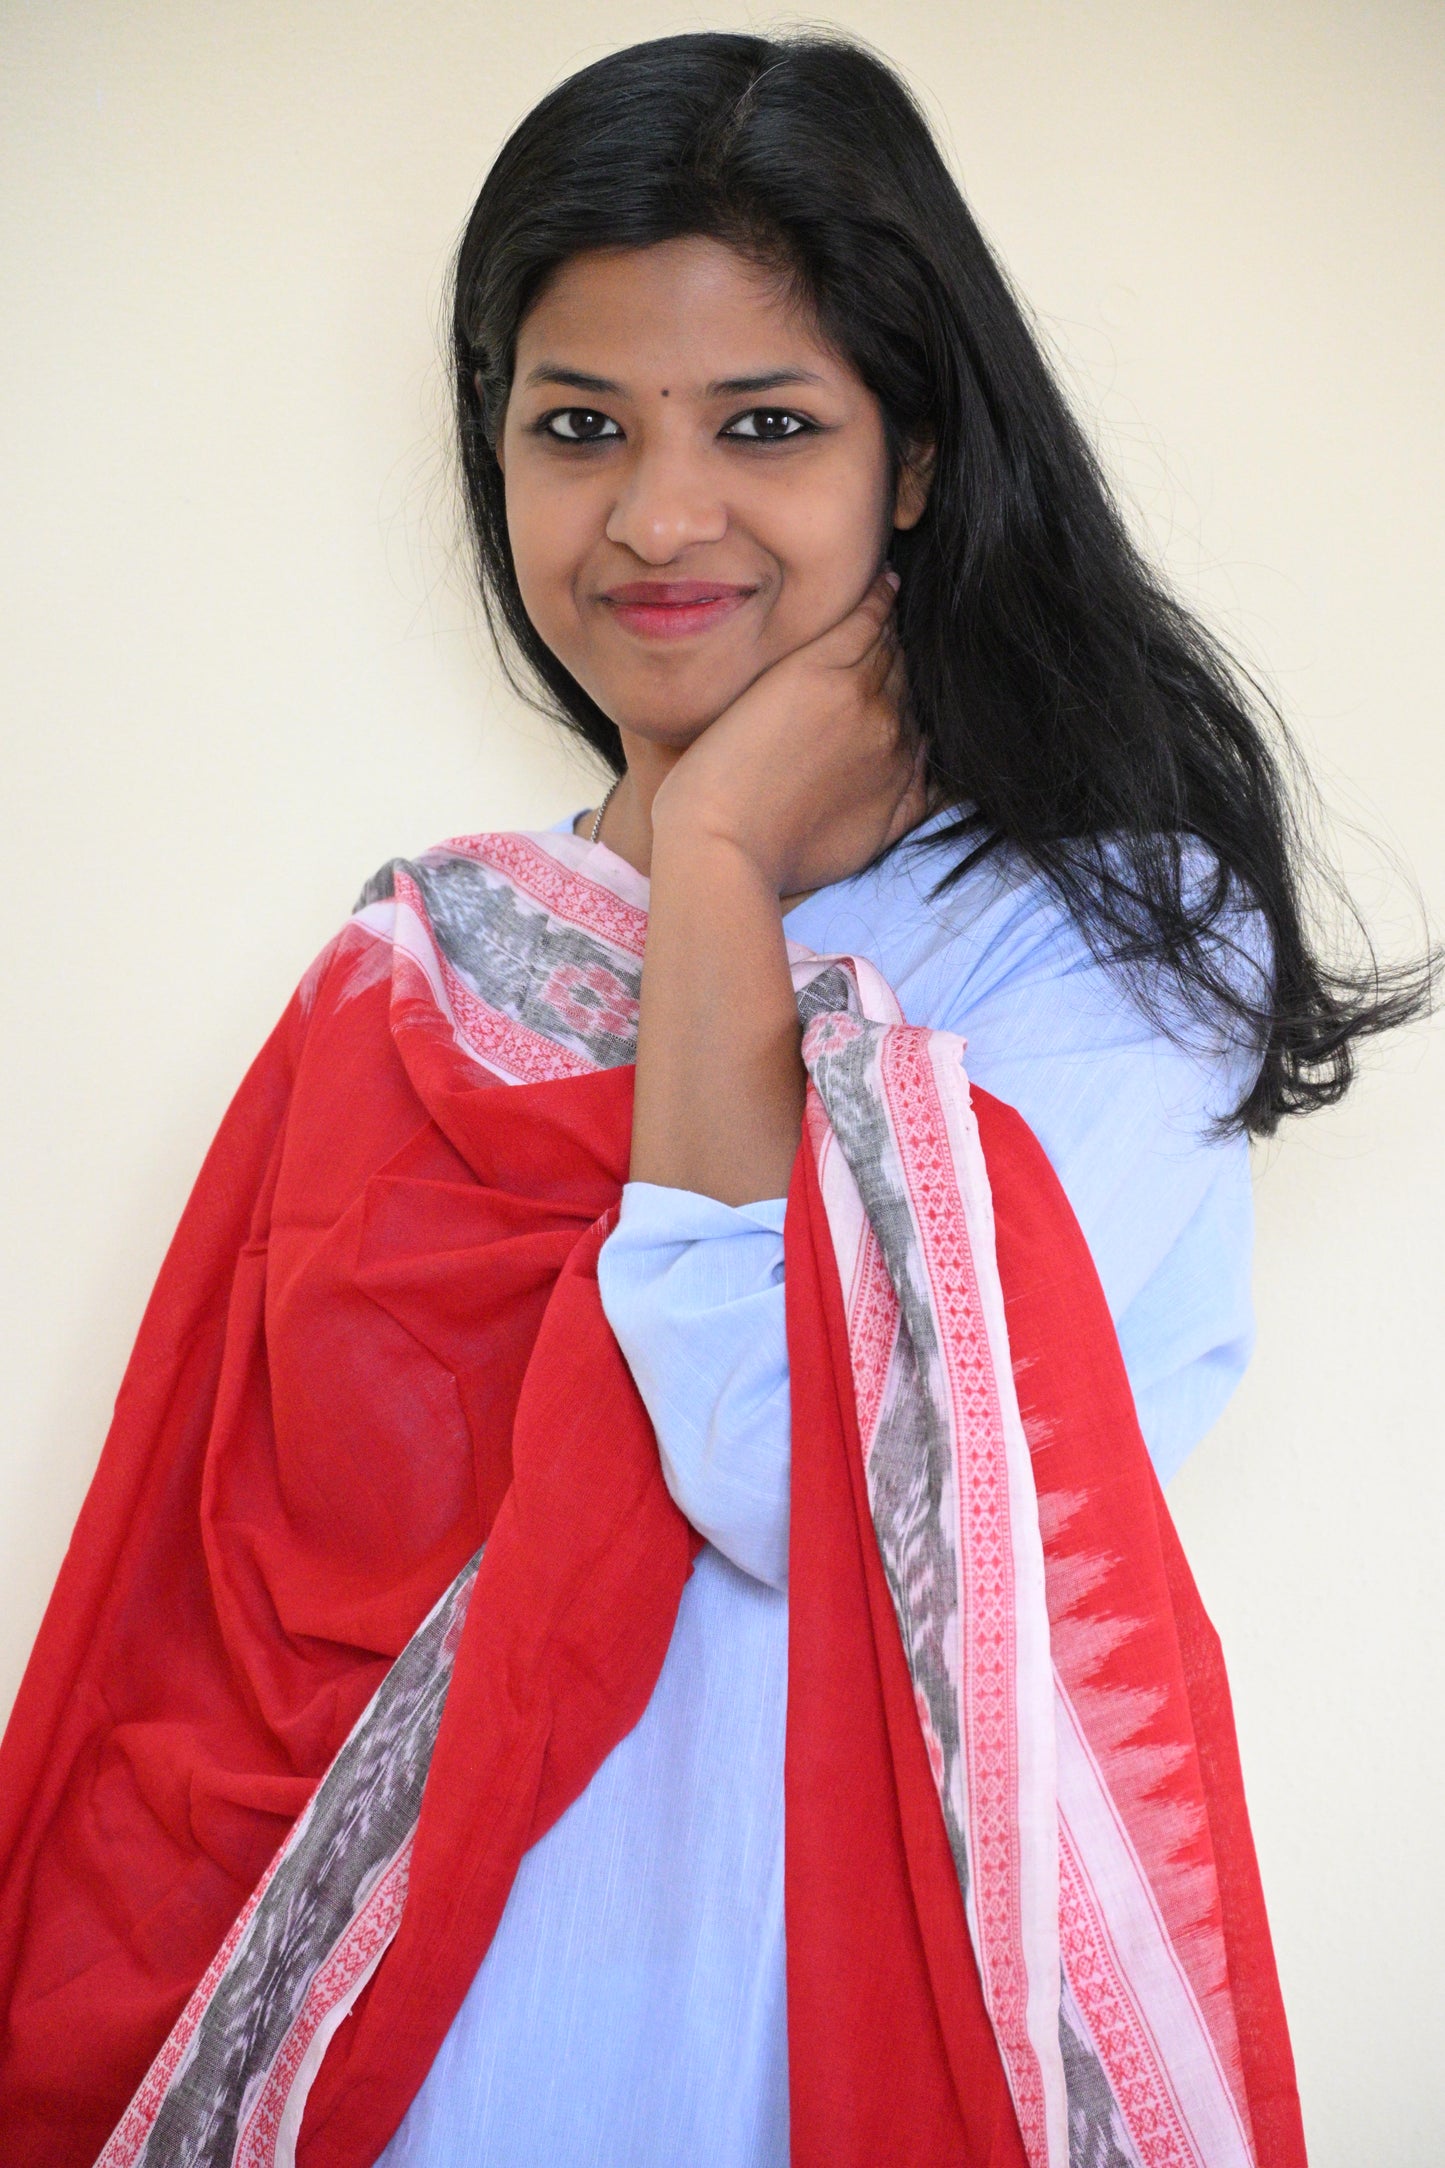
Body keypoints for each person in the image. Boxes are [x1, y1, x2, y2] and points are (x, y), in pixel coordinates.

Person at [0, 30, 1430, 2168]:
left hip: (791, 2043)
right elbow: (218, 1626)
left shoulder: (1097, 949)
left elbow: (786, 1468)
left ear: (914, 459)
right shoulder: (423, 972)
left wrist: (721, 853)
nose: (659, 516)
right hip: (365, 2051)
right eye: (578, 425)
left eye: (766, 424)